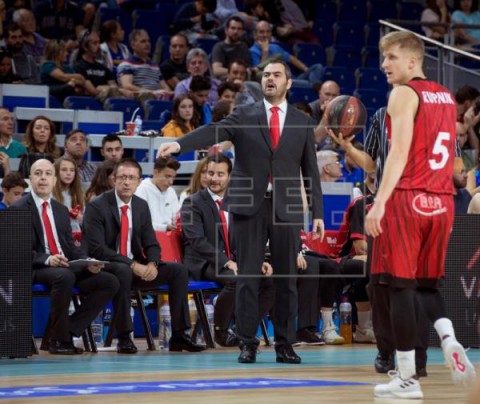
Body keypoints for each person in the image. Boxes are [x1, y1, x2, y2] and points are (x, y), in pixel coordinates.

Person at [158, 60, 324, 364]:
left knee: (286, 279)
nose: (270, 79)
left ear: (288, 83)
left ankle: (285, 344)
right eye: (266, 75)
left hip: (286, 206)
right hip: (250, 205)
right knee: (248, 276)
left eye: (276, 75)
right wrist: (179, 146)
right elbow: (213, 131)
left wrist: (317, 212)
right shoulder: (245, 115)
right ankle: (248, 342)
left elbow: (310, 171)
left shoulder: (302, 123)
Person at [364, 31, 476, 399]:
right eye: (383, 58)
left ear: (413, 61)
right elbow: (455, 158)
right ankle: (448, 339)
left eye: (391, 57)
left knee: (400, 288)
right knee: (427, 285)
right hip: (442, 201)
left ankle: (408, 379)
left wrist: (380, 201)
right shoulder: (445, 96)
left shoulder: (403, 93)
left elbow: (397, 154)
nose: (384, 65)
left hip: (408, 198)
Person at [83, 158, 205, 354]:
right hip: (107, 268)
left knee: (179, 271)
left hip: (136, 268)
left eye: (131, 178)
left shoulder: (140, 205)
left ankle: (180, 336)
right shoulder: (97, 206)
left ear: (139, 181)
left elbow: (151, 243)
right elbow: (98, 249)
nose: (126, 182)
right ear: (114, 179)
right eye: (122, 177)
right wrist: (133, 265)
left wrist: (152, 263)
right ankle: (124, 337)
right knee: (123, 270)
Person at [12, 158, 118, 355]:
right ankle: (59, 341)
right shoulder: (18, 209)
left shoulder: (60, 210)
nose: (43, 178)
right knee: (65, 276)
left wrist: (87, 262)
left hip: (63, 265)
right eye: (38, 174)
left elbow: (70, 247)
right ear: (30, 180)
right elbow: (17, 251)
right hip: (37, 268)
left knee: (109, 281)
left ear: (54, 181)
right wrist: (47, 259)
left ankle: (66, 331)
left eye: (48, 174)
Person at [181, 153, 274, 346]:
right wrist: (226, 261)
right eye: (210, 173)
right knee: (237, 279)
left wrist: (256, 260)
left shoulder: (238, 201)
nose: (213, 178)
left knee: (270, 281)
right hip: (203, 262)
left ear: (230, 176)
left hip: (234, 260)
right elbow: (196, 241)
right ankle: (221, 331)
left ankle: (244, 329)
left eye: (220, 174)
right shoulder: (192, 202)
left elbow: (247, 237)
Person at [117, 30, 172, 104]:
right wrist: (152, 93)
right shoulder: (126, 64)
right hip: (139, 100)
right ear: (133, 45)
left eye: (148, 41)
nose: (147, 44)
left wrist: (167, 92)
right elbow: (127, 86)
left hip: (157, 98)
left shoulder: (155, 66)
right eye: (143, 41)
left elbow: (165, 86)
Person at [134, 156, 181, 232]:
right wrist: (164, 228)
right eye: (167, 176)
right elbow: (139, 223)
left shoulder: (171, 191)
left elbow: (176, 218)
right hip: (148, 238)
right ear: (155, 172)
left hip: (169, 237)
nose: (171, 182)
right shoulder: (141, 189)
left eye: (173, 177)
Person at [211, 16, 251, 80]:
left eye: (239, 29)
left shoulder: (244, 46)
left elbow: (247, 67)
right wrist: (235, 73)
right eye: (233, 28)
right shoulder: (219, 47)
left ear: (242, 32)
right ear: (226, 30)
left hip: (243, 80)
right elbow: (217, 70)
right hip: (225, 80)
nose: (236, 31)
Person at [52, 157, 85, 232]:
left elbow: (84, 221)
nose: (69, 173)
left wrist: (79, 217)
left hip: (77, 235)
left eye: (72, 170)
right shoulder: (50, 193)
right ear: (56, 172)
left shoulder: (79, 192)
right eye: (64, 170)